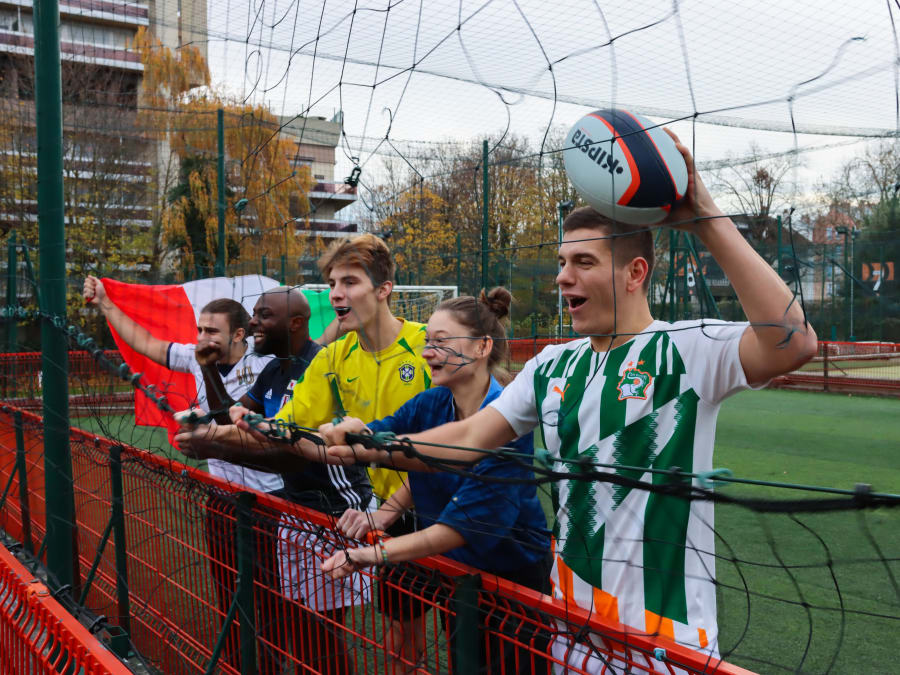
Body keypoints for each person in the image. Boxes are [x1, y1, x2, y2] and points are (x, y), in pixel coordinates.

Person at [320, 132, 819, 669]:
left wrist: (702, 214)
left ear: (634, 273)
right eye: (562, 260)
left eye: (582, 261)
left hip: (665, 647)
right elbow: (469, 439)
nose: (562, 276)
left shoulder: (687, 349)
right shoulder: (553, 364)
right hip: (575, 637)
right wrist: (371, 445)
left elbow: (794, 341)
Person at [174, 233, 432, 672]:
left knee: (470, 639)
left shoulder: (426, 345)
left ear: (384, 288)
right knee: (402, 636)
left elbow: (446, 446)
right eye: (332, 282)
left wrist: (386, 511)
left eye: (349, 281)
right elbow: (285, 430)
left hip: (446, 507)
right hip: (389, 515)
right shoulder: (332, 359)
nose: (336, 293)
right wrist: (217, 433)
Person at [319, 288, 552, 675]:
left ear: (481, 348)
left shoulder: (508, 422)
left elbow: (458, 529)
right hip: (457, 573)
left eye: (441, 342)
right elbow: (388, 442)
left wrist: (370, 554)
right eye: (426, 341)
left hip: (512, 582)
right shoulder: (430, 403)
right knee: (465, 660)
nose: (427, 351)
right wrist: (355, 436)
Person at [177, 286, 371, 675]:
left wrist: (213, 447)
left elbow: (290, 454)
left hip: (334, 515)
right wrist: (207, 369)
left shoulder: (318, 367)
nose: (251, 325)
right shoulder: (273, 367)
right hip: (296, 511)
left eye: (263, 316)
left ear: (295, 323)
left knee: (319, 637)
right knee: (301, 631)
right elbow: (232, 420)